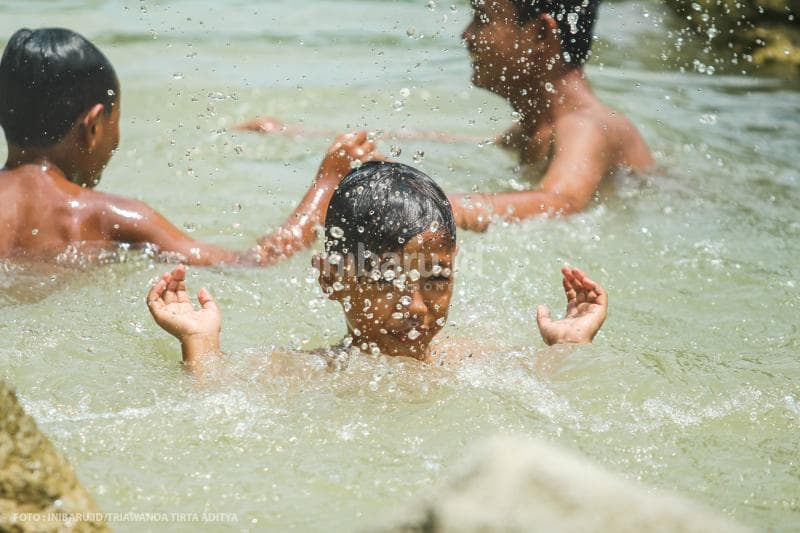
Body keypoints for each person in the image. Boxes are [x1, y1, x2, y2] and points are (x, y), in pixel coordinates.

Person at [145, 161, 608, 371]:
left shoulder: (474, 360)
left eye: (436, 280)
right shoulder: (313, 373)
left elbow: (550, 390)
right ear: (332, 279)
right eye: (386, 280)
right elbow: (219, 397)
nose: (415, 307)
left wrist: (568, 347)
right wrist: (200, 341)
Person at [0, 28, 378, 265]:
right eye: (116, 123)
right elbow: (252, 262)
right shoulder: (108, 217)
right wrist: (327, 183)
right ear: (94, 124)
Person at [448, 0, 654, 230]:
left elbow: (562, 202)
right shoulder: (537, 128)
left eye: (482, 19)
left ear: (540, 34)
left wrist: (437, 208)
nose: (467, 35)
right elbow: (470, 144)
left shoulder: (588, 126)